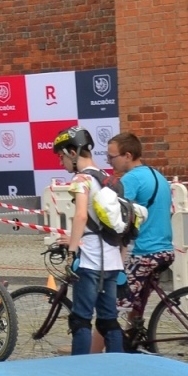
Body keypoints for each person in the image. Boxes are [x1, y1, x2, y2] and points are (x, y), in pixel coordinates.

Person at [53, 127, 125, 355]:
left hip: (91, 261)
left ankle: (80, 371)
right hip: (112, 261)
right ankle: (119, 366)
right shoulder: (108, 179)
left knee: (81, 320)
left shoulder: (81, 179)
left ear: (73, 152)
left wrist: (72, 250)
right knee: (108, 321)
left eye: (62, 156)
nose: (61, 162)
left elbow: (81, 216)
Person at [107, 131, 174, 341]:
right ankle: (131, 341)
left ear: (127, 155)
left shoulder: (131, 179)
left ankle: (92, 355)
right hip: (164, 250)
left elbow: (116, 215)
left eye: (112, 157)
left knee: (108, 308)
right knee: (136, 302)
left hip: (144, 252)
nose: (110, 162)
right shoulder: (157, 174)